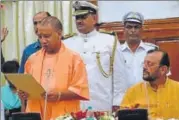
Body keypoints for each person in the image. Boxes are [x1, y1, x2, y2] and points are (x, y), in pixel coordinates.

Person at [18, 16, 89, 120]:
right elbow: (26, 87)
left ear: (59, 34)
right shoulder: (32, 59)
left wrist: (59, 95)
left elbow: (81, 90)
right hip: (36, 114)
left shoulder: (74, 59)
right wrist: (23, 93)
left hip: (64, 115)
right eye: (40, 36)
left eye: (47, 36)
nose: (43, 41)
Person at [63, 1, 127, 112]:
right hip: (74, 104)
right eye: (77, 17)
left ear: (94, 18)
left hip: (101, 103)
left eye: (83, 17)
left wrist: (117, 102)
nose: (79, 21)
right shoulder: (66, 43)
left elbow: (119, 75)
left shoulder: (109, 41)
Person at [120, 49, 179, 119]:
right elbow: (123, 117)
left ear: (163, 70)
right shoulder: (133, 91)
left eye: (149, 64)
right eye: (144, 63)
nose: (144, 67)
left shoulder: (177, 89)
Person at [120, 12, 158, 88]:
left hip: (148, 97)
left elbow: (163, 77)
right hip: (125, 97)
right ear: (124, 30)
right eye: (129, 27)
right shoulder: (116, 52)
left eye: (136, 27)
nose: (133, 30)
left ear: (142, 29)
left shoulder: (154, 51)